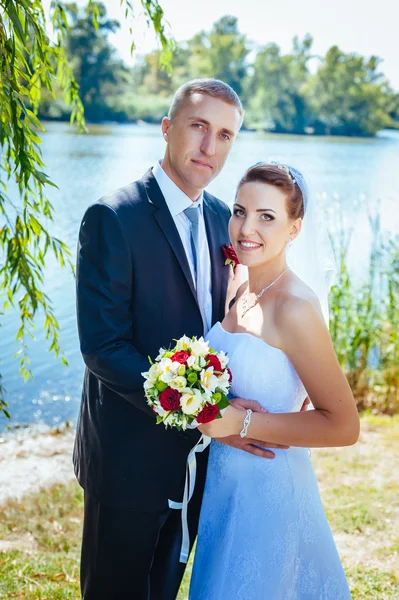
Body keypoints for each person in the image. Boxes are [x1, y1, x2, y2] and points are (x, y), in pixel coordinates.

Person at [73, 79, 286, 600]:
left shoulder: (224, 221)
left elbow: (229, 317)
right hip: (127, 460)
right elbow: (103, 346)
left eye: (225, 135)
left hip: (198, 462)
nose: (210, 148)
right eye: (198, 127)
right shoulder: (113, 218)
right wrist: (207, 411)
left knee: (165, 588)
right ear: (167, 129)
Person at [189, 162, 360, 599]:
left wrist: (238, 425)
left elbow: (343, 425)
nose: (246, 227)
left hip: (268, 494)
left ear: (295, 228)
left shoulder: (296, 307)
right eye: (239, 210)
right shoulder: (242, 284)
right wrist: (208, 415)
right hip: (224, 488)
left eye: (267, 216)